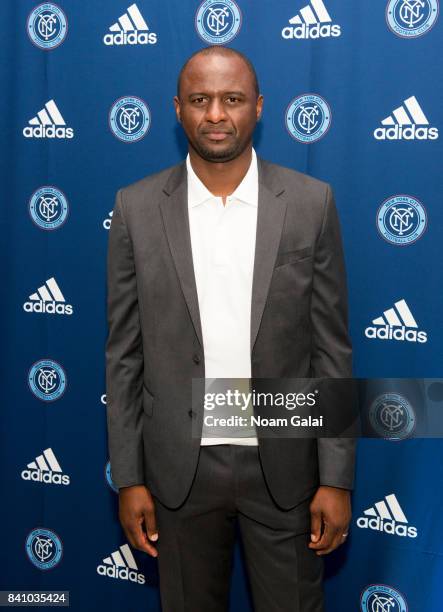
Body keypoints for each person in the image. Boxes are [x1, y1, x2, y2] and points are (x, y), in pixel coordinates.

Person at [105, 45, 355, 612]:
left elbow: (331, 351)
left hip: (285, 464)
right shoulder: (136, 208)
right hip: (177, 469)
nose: (216, 114)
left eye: (232, 99)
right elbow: (123, 354)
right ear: (177, 109)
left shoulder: (311, 204)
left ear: (259, 107)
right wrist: (129, 478)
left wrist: (336, 478)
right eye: (200, 99)